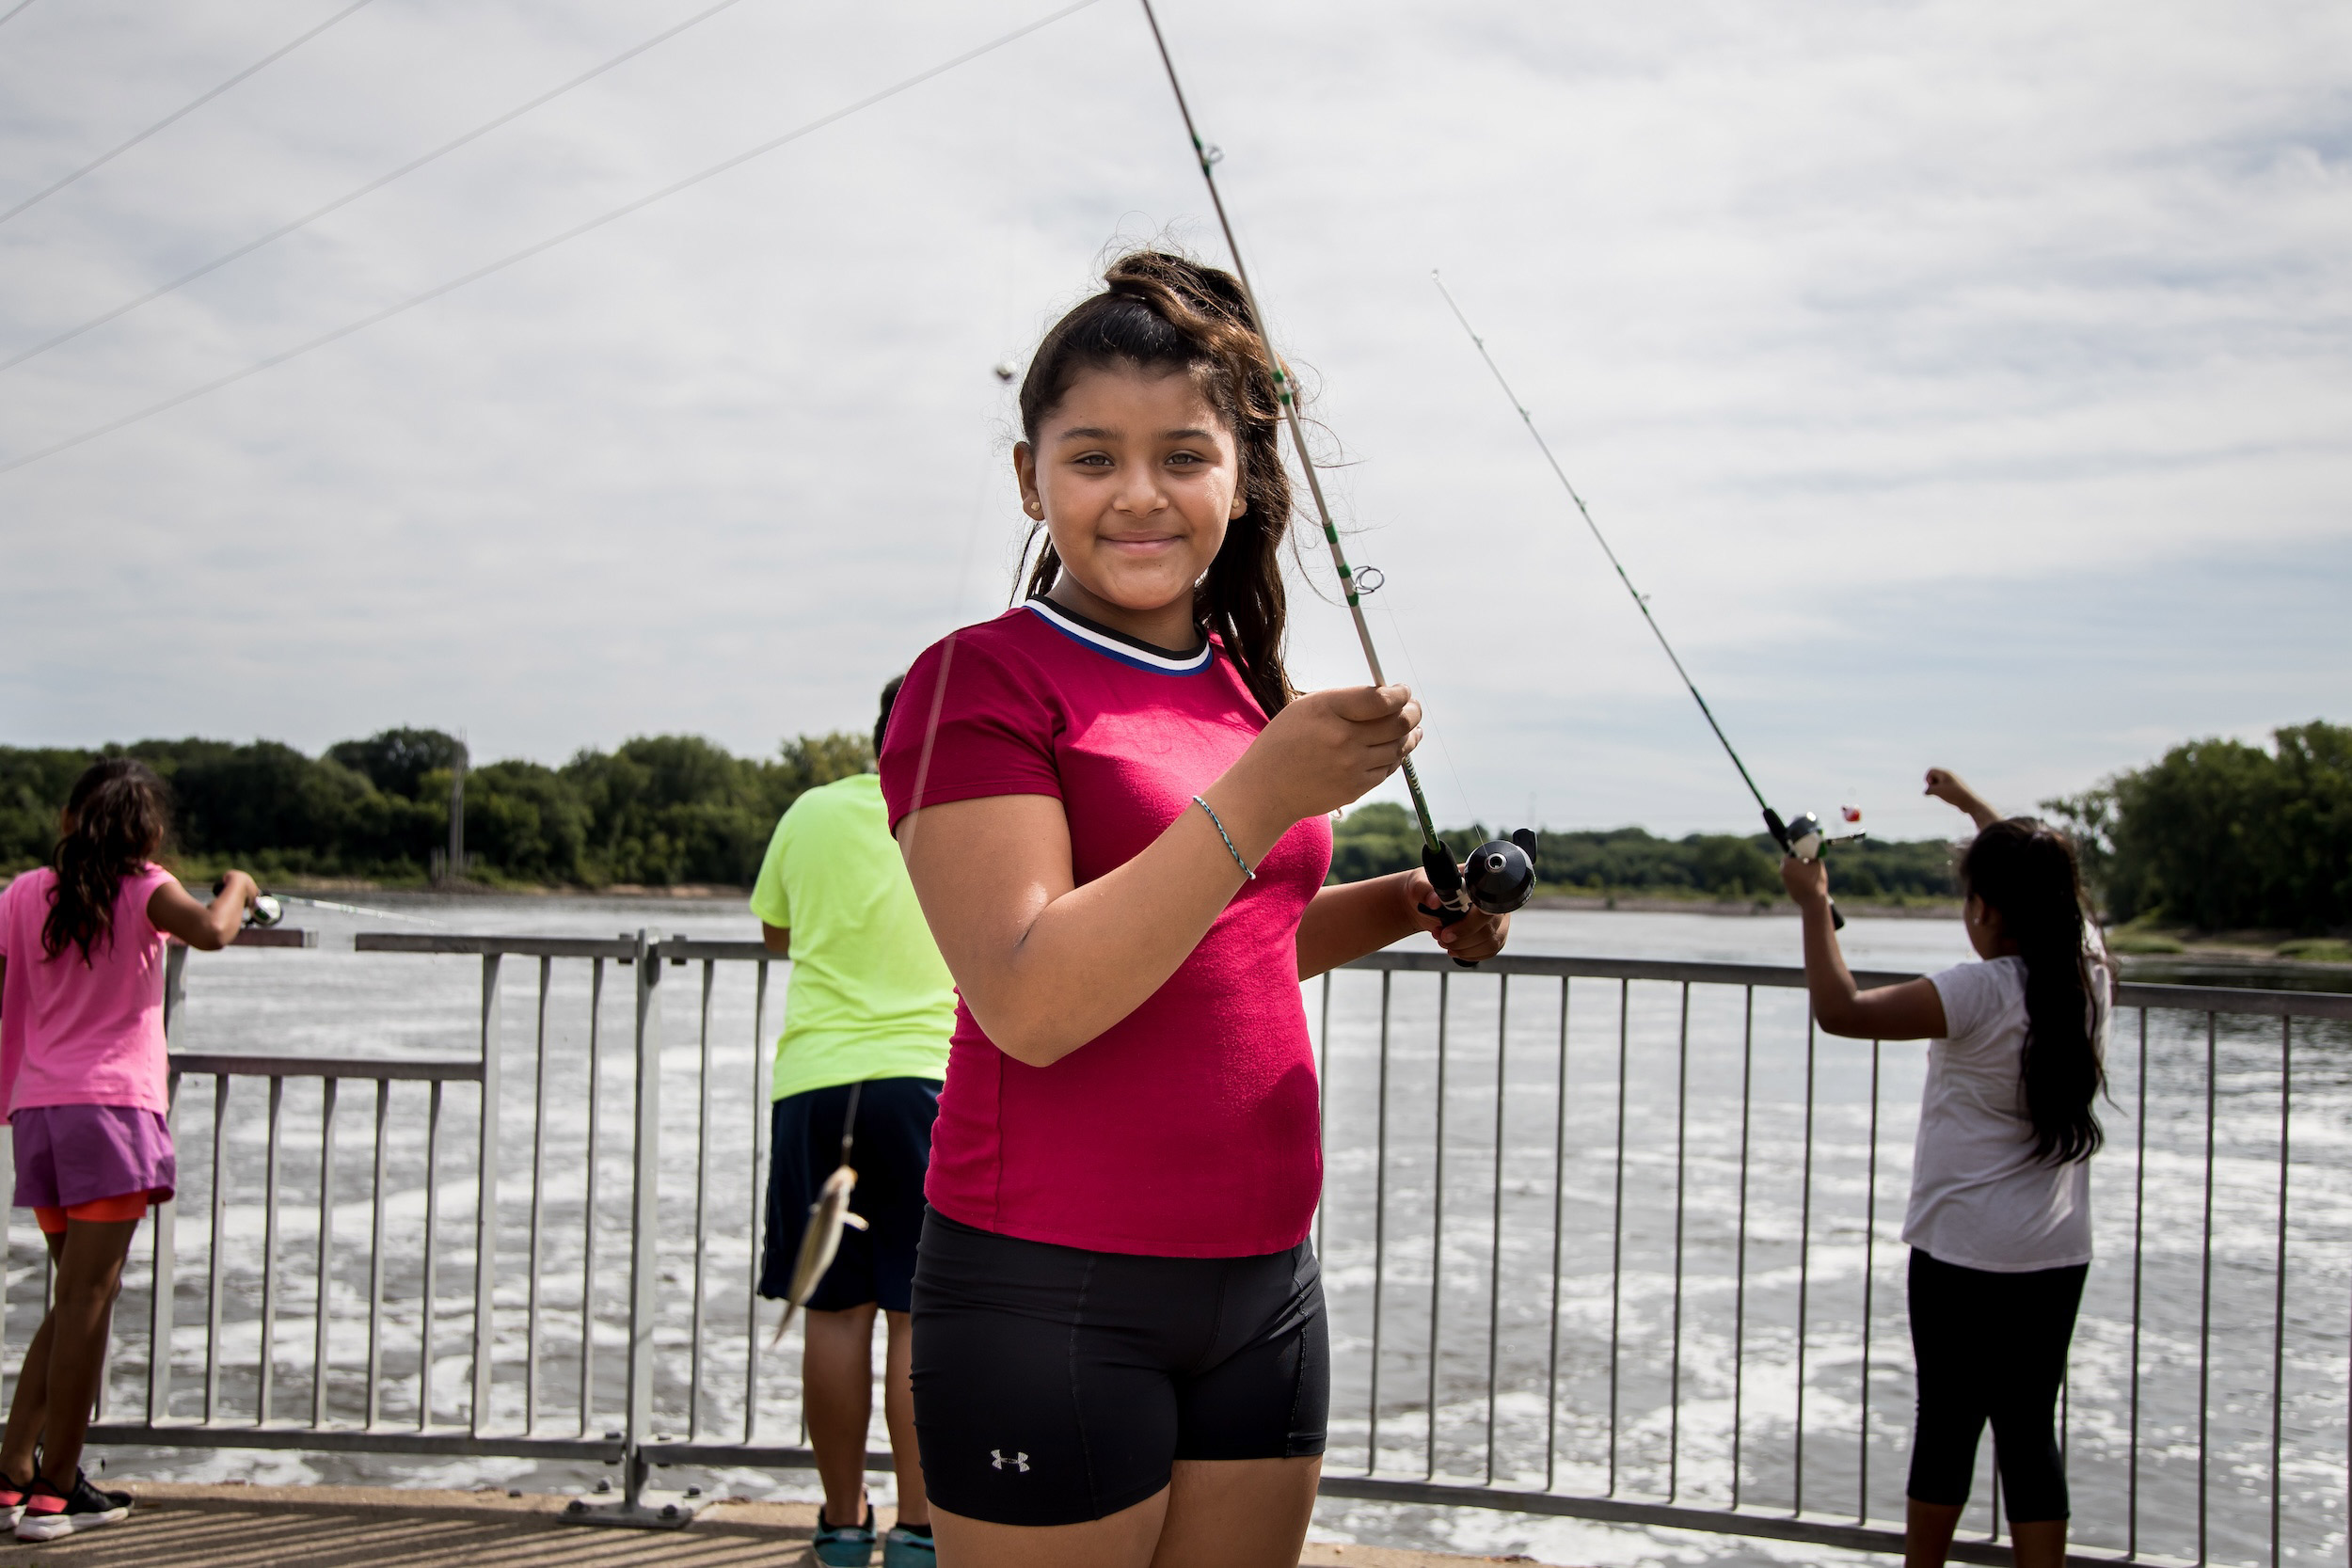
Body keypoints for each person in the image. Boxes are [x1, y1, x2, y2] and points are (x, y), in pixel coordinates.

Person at [877, 249, 1512, 1568]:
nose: (1141, 495)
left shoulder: (1236, 682)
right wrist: (1269, 780)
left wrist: (1406, 900)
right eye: (1093, 456)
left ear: (1242, 473)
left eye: (1184, 453)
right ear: (1028, 476)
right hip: (1046, 1282)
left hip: (1266, 1285)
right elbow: (1034, 996)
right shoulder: (974, 682)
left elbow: (1234, 944)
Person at [1780, 765, 2109, 1568]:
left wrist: (1814, 904)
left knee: (1948, 1422)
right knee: (2030, 1430)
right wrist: (1970, 808)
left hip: (1962, 1249)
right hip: (2056, 1249)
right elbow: (2047, 886)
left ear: (1986, 911)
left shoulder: (1980, 990)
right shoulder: (2089, 974)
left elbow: (1842, 1010)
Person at [0, 758, 259, 1541]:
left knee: (71, 1298)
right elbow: (212, 931)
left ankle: (13, 1471)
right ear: (144, 829)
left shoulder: (22, 891)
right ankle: (55, 1490)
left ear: (73, 817)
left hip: (39, 1111)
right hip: (110, 1112)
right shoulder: (145, 886)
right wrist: (240, 884)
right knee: (87, 1302)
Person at [751, 677, 956, 1568]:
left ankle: (840, 1524)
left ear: (880, 736)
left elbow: (775, 933)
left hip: (817, 1085)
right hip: (927, 1083)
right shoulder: (963, 818)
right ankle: (917, 1527)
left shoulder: (811, 811)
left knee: (833, 1310)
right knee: (916, 1313)